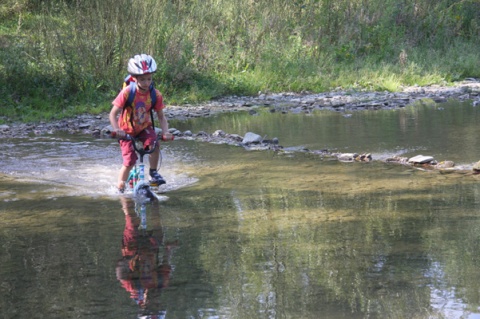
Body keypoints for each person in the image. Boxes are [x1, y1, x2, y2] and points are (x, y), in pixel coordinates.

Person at [109, 54, 172, 192]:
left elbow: (161, 116)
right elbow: (113, 114)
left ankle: (153, 172)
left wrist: (166, 132)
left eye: (149, 79)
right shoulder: (127, 93)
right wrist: (117, 129)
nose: (146, 82)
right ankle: (120, 184)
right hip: (126, 130)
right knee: (130, 160)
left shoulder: (155, 94)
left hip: (144, 127)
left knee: (154, 143)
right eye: (142, 79)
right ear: (134, 78)